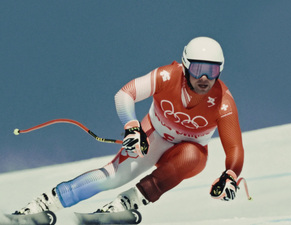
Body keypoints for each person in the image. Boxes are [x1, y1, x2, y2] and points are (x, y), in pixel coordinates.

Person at [14, 36, 245, 215]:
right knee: (112, 177)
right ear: (185, 67)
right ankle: (44, 205)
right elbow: (125, 94)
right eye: (197, 69)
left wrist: (231, 174)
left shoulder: (223, 101)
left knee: (193, 156)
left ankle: (125, 204)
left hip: (186, 153)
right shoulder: (167, 76)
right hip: (151, 137)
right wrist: (132, 127)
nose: (204, 78)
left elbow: (234, 147)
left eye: (212, 70)